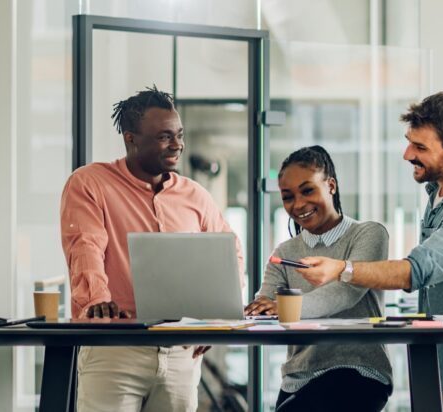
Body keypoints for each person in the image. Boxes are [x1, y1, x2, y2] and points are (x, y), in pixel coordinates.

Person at [291, 91, 443, 412]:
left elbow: (420, 269)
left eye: (420, 147)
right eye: (409, 141)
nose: (407, 154)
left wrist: (341, 269)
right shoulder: (439, 190)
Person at [60, 86, 244, 412]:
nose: (177, 145)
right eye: (164, 137)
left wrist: (218, 317)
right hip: (115, 349)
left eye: (179, 135)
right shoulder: (90, 183)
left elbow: (229, 253)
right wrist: (97, 301)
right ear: (131, 139)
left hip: (181, 354)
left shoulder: (195, 195)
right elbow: (85, 247)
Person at [243, 145, 392, 411]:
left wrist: (284, 308)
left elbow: (345, 293)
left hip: (358, 368)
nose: (298, 204)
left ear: (331, 185)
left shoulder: (369, 234)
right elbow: (265, 300)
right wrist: (260, 308)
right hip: (298, 378)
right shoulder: (285, 252)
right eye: (288, 197)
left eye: (308, 190)